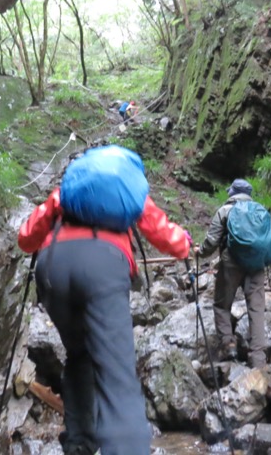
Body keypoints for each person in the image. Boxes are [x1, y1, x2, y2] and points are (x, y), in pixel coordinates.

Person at [17, 147, 190, 455]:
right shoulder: (126, 188)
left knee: (79, 354)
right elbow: (160, 231)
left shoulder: (68, 191)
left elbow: (27, 237)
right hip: (102, 264)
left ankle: (79, 442)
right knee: (115, 368)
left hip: (53, 267)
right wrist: (185, 246)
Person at [194, 178, 271, 368]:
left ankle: (229, 344)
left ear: (232, 193)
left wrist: (199, 252)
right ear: (249, 195)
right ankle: (258, 359)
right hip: (256, 265)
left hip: (231, 264)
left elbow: (212, 242)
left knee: (222, 305)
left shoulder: (225, 211)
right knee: (256, 309)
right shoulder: (261, 213)